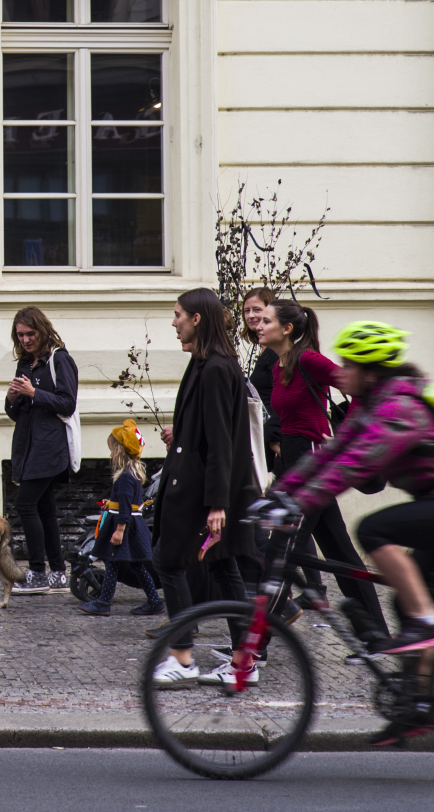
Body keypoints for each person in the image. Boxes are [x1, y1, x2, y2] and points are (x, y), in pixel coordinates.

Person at [272, 321, 434, 745]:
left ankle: (430, 626)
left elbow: (357, 464)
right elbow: (335, 452)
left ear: (371, 372)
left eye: (348, 366)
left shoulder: (398, 406)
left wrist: (302, 503)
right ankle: (418, 706)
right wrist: (282, 492)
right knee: (406, 602)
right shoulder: (372, 405)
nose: (340, 372)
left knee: (374, 529)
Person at [261, 298, 388, 647]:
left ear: (287, 329)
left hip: (311, 457)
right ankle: (375, 635)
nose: (259, 324)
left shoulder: (308, 359)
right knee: (338, 550)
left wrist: (350, 435)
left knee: (280, 553)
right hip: (292, 459)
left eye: (267, 320)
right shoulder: (278, 366)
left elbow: (361, 386)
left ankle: (251, 650)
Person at [149, 288, 258, 689]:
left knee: (169, 561)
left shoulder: (213, 368)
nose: (173, 322)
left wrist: (215, 504)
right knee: (224, 566)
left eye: (178, 314)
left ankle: (182, 657)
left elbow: (221, 441)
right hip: (205, 487)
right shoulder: (208, 364)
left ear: (197, 319)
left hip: (200, 493)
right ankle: (243, 661)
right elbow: (211, 429)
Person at [4, 306, 78, 594]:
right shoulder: (25, 364)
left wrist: (35, 393)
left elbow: (67, 404)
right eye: (20, 335)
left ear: (42, 330)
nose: (25, 340)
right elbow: (15, 413)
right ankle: (58, 573)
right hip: (27, 445)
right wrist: (12, 398)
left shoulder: (60, 360)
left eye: (30, 333)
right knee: (45, 509)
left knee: (25, 504)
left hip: (50, 446)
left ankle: (37, 573)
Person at [80, 423, 162, 617]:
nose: (110, 454)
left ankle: (103, 603)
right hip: (133, 525)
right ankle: (154, 601)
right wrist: (112, 503)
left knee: (112, 562)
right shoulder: (133, 474)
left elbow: (125, 506)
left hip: (126, 527)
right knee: (134, 565)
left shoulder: (125, 477)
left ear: (119, 451)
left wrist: (119, 529)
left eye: (111, 449)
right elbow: (127, 501)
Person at [241, 287, 280, 466]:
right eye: (246, 311)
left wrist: (275, 439)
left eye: (257, 309)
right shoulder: (265, 349)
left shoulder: (275, 352)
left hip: (277, 442)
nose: (250, 316)